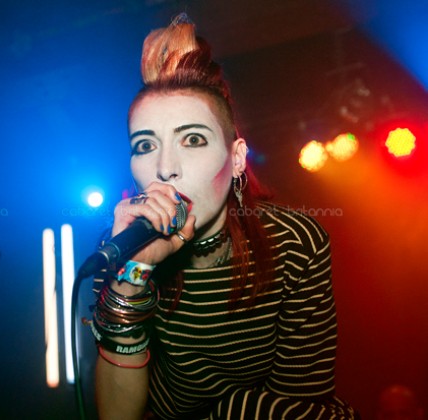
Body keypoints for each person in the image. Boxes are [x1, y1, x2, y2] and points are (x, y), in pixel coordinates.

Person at [89, 13, 357, 419]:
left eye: (193, 139)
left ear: (236, 159)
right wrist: (131, 277)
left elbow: (299, 401)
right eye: (145, 145)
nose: (165, 168)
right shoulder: (118, 248)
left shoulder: (295, 243)